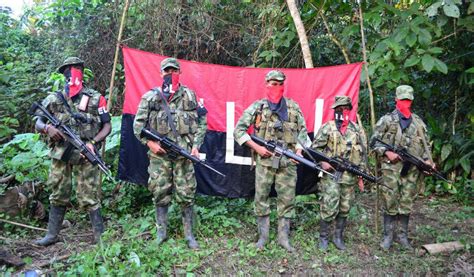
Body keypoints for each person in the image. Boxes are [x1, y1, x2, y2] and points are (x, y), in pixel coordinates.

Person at [34, 57, 111, 246]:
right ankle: (52, 235)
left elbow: (107, 125)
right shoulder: (54, 99)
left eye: (77, 68)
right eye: (69, 69)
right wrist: (47, 129)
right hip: (61, 153)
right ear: (63, 73)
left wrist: (93, 142)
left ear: (82, 72)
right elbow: (37, 121)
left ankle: (100, 238)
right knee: (59, 192)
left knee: (89, 194)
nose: (73, 72)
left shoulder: (95, 97)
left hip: (85, 151)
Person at [133, 58, 207, 249]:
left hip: (184, 156)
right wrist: (150, 143)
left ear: (179, 73)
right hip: (160, 157)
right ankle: (161, 233)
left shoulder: (190, 95)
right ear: (161, 73)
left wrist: (196, 145)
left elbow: (202, 122)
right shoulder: (151, 97)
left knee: (187, 194)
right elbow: (138, 126)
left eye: (174, 71)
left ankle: (189, 235)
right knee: (160, 193)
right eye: (167, 71)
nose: (170, 74)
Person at [234, 70, 309, 252]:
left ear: (284, 85)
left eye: (279, 84)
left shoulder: (293, 107)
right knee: (261, 198)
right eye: (272, 83)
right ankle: (263, 238)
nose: (276, 87)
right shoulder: (258, 108)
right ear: (266, 84)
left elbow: (303, 132)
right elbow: (239, 131)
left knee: (287, 199)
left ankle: (283, 238)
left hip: (288, 163)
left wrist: (298, 151)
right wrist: (258, 148)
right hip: (265, 163)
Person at [371, 85, 435, 250]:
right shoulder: (386, 120)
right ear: (396, 100)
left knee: (406, 201)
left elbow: (426, 146)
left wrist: (428, 162)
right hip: (391, 168)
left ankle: (402, 236)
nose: (405, 103)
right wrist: (386, 152)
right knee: (389, 199)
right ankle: (388, 237)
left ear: (412, 100)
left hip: (412, 170)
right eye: (402, 100)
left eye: (408, 100)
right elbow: (374, 142)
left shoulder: (419, 123)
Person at [312, 96, 367, 251]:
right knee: (329, 206)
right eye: (340, 109)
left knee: (345, 207)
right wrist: (323, 163)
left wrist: (361, 174)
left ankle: (338, 237)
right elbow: (315, 149)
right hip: (331, 175)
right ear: (335, 110)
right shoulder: (328, 128)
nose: (343, 112)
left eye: (346, 108)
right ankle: (323, 238)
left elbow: (363, 153)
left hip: (349, 177)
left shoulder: (356, 130)